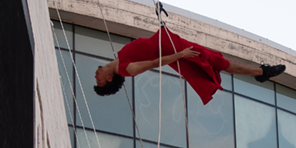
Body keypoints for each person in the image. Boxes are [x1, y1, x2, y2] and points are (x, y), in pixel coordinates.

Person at [94, 26, 285, 103]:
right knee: (216, 61)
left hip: (172, 45)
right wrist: (181, 54)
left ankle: (261, 72)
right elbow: (154, 63)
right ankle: (262, 71)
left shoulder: (119, 59)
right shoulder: (125, 69)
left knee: (215, 59)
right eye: (100, 81)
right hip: (174, 49)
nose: (96, 77)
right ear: (110, 78)